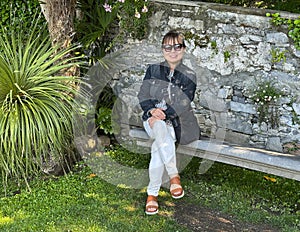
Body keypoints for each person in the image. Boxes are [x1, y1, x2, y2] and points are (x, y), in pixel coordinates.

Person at [137, 30, 200, 215]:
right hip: (152, 120)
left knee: (158, 146)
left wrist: (164, 114)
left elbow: (184, 102)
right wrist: (151, 111)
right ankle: (174, 176)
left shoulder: (189, 74)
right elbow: (142, 95)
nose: (173, 51)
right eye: (168, 47)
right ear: (162, 50)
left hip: (177, 123)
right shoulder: (153, 70)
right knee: (158, 126)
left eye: (177, 46)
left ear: (184, 49)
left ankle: (152, 195)